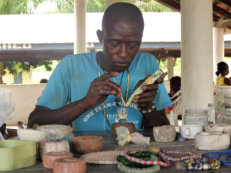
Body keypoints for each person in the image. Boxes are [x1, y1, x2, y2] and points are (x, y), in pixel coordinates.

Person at [27, 2, 172, 131]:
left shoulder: (147, 64)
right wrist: (85, 103)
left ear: (140, 39)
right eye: (114, 44)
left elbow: (165, 130)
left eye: (133, 45)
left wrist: (147, 107)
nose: (123, 53)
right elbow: (35, 122)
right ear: (100, 37)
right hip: (83, 155)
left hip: (134, 156)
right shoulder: (71, 66)